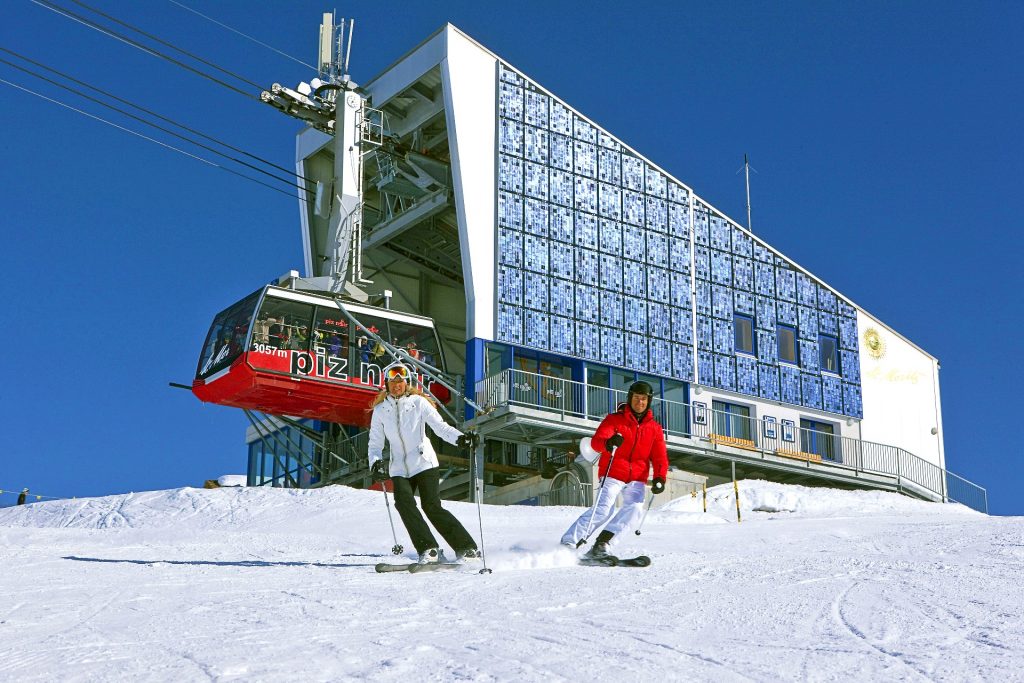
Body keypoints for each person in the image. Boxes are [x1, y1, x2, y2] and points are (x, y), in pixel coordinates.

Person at [367, 363, 480, 564]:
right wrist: (375, 463)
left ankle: (466, 548)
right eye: (392, 382)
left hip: (424, 462)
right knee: (403, 503)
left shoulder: (418, 403)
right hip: (399, 467)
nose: (396, 385)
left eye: (400, 381)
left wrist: (461, 439)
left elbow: (440, 427)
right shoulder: (380, 410)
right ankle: (429, 549)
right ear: (386, 384)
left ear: (407, 382)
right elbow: (375, 443)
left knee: (431, 506)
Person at [560, 381, 669, 558]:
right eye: (636, 398)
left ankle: (603, 544)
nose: (639, 402)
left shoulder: (655, 429)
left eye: (643, 399)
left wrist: (660, 477)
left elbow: (659, 457)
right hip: (613, 473)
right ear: (629, 398)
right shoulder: (614, 420)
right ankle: (569, 542)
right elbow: (596, 442)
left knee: (634, 510)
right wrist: (608, 444)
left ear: (648, 401)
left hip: (637, 478)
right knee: (603, 509)